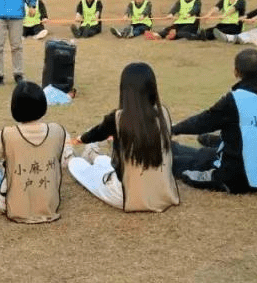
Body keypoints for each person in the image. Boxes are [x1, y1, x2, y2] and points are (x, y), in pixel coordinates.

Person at [171, 49, 257, 193]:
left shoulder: (235, 100)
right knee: (204, 154)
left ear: (236, 72)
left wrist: (174, 129)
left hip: (238, 179)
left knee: (176, 164)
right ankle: (171, 146)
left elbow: (203, 122)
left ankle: (163, 151)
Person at [68, 63, 180, 212]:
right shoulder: (163, 113)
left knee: (76, 164)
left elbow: (97, 133)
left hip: (126, 195)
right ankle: (93, 154)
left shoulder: (118, 118)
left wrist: (79, 139)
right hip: (163, 193)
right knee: (102, 161)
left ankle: (77, 154)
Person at [0, 81, 73, 223]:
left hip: (12, 206)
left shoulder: (6, 135)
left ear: (14, 108)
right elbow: (64, 159)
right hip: (49, 205)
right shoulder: (58, 131)